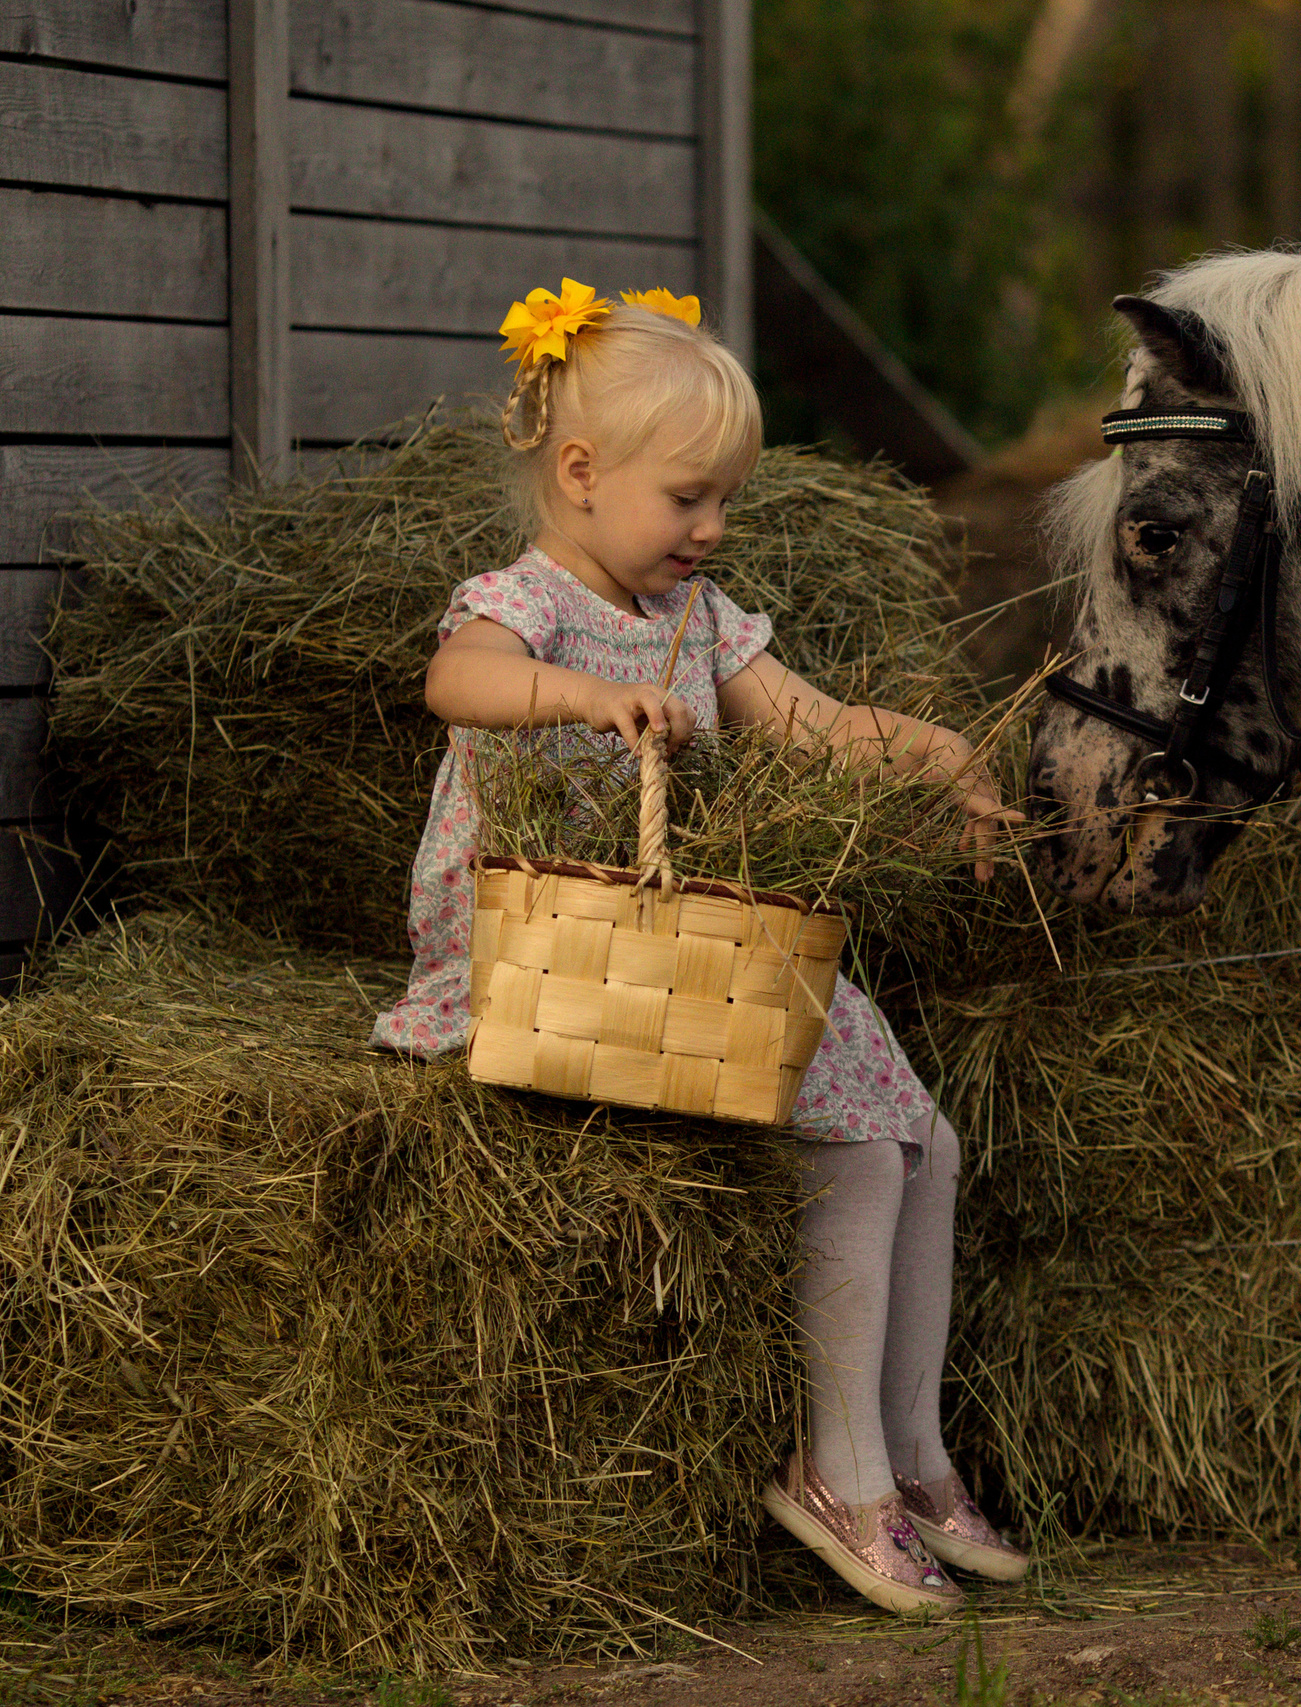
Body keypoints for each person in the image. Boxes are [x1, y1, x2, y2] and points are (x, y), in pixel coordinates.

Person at [372, 279, 1025, 1615]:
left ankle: (908, 1450)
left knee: (929, 1137)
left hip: (682, 948)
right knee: (854, 1143)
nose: (711, 527)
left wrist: (933, 751)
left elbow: (815, 723)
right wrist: (586, 696)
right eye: (689, 499)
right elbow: (459, 683)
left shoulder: (702, 619)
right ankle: (834, 1470)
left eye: (725, 499)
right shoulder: (526, 603)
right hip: (552, 942)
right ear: (580, 472)